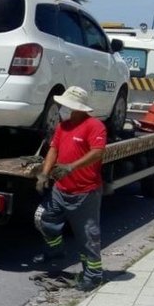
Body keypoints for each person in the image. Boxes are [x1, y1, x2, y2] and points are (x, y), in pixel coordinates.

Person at [33, 86, 107, 292]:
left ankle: (93, 275)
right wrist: (44, 174)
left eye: (66, 106)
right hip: (61, 189)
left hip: (85, 192)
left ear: (78, 108)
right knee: (44, 219)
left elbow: (98, 152)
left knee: (87, 236)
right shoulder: (63, 127)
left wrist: (71, 167)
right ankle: (55, 251)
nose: (63, 108)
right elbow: (53, 150)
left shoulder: (94, 126)